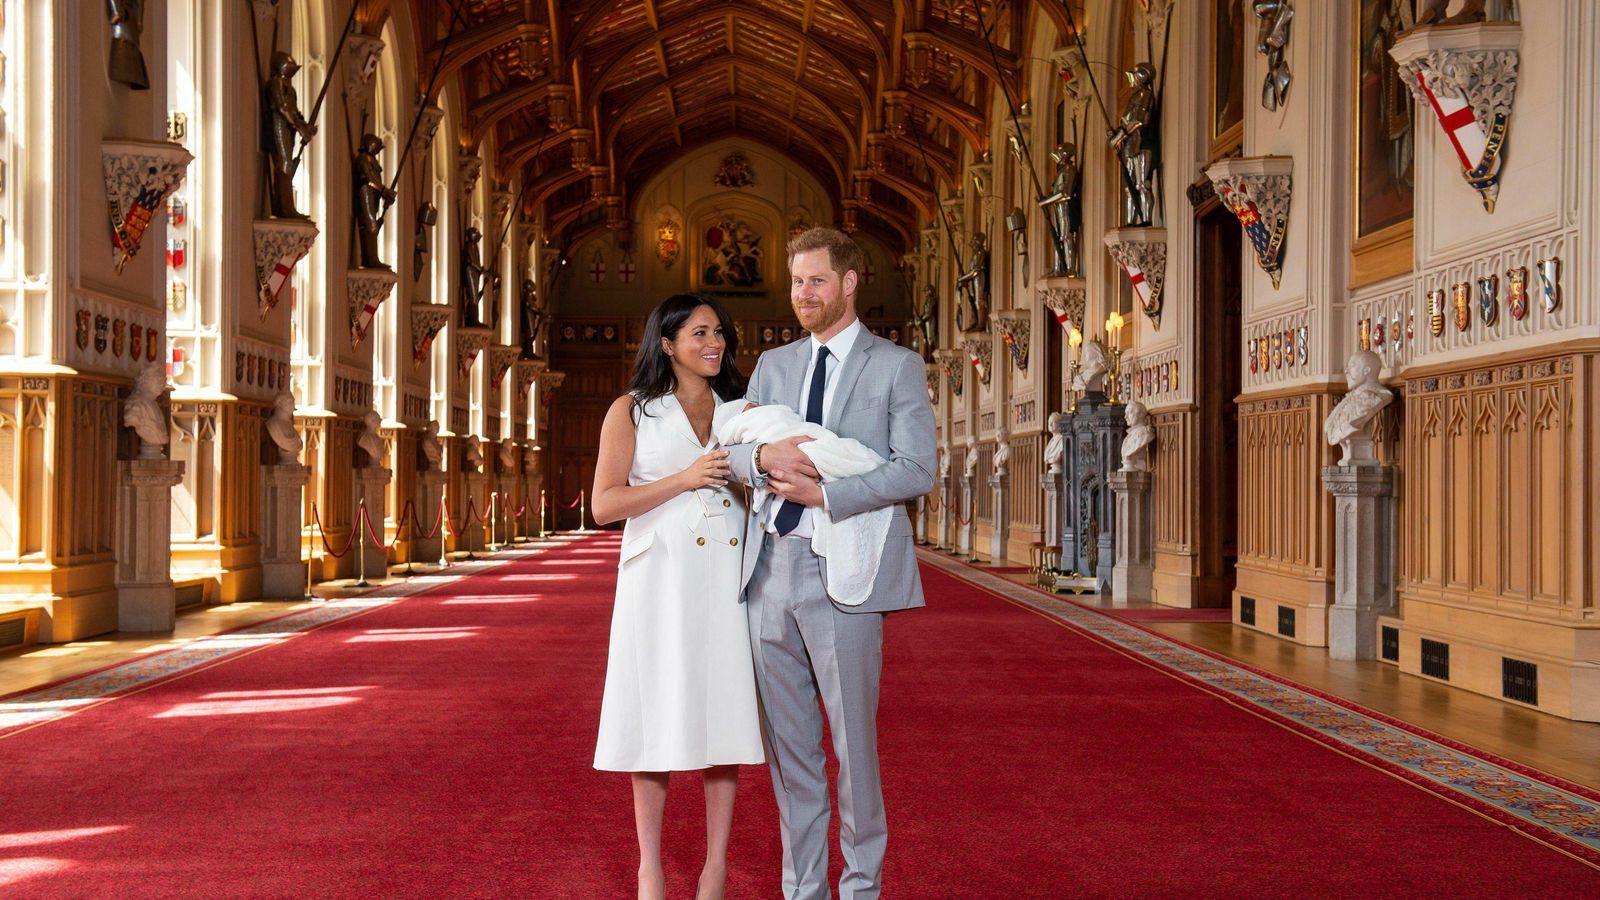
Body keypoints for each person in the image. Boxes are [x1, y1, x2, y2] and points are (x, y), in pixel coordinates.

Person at [724, 227, 936, 899]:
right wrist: (757, 459)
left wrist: (827, 492)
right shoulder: (773, 366)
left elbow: (917, 469)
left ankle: (862, 888)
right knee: (791, 757)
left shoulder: (895, 366)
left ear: (848, 282)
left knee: (854, 754)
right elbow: (727, 453)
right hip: (767, 573)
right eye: (796, 281)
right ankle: (803, 890)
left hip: (844, 573)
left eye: (816, 280)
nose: (803, 294)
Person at [591, 293, 763, 900]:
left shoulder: (741, 412)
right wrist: (684, 479)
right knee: (654, 717)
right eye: (698, 333)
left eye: (718, 332)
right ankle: (651, 869)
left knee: (725, 718)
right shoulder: (632, 412)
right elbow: (605, 505)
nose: (714, 343)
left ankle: (714, 868)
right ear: (667, 344)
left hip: (724, 576)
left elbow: (757, 499)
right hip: (657, 582)